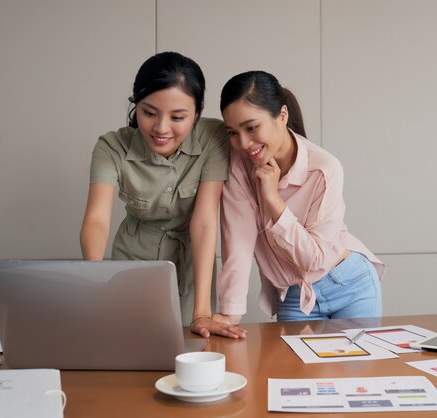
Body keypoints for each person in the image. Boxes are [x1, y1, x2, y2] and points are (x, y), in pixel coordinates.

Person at [195, 70, 385, 334]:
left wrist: (273, 199)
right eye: (233, 132)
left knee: (357, 374)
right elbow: (237, 240)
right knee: (294, 374)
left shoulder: (324, 169)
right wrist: (230, 312)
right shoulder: (239, 166)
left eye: (251, 128)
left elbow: (314, 259)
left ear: (282, 115)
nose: (243, 143)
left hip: (349, 283)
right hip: (294, 294)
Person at [80, 51, 245, 339]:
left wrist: (202, 312)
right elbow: (97, 219)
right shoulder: (111, 147)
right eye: (149, 113)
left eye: (178, 117)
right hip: (131, 264)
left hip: (194, 266)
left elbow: (205, 221)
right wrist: (96, 283)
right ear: (135, 106)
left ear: (198, 110)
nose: (161, 128)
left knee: (191, 350)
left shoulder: (214, 138)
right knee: (125, 345)